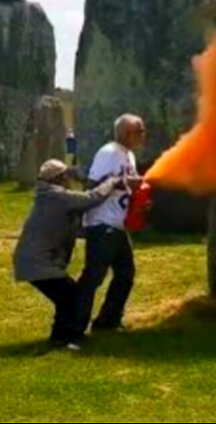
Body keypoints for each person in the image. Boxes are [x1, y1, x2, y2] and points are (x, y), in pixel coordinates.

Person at [12, 159, 124, 350]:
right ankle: (61, 339)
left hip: (32, 260)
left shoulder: (49, 197)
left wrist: (101, 231)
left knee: (67, 296)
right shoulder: (57, 197)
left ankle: (61, 337)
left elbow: (75, 230)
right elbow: (92, 198)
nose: (70, 179)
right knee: (70, 296)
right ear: (60, 178)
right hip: (38, 263)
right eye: (66, 176)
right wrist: (112, 181)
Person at [74, 114, 146, 338]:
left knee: (125, 274)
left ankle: (107, 321)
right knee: (93, 277)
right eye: (140, 131)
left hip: (117, 224)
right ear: (126, 133)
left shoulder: (129, 155)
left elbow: (124, 186)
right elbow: (92, 185)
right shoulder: (109, 153)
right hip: (102, 222)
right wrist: (123, 183)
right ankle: (72, 327)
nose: (143, 135)